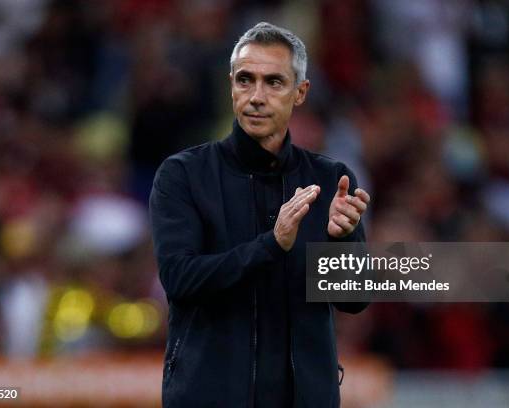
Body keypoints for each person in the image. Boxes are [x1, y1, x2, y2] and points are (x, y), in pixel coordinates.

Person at [150, 22, 371, 408]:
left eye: (273, 83)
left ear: (300, 92)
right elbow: (180, 279)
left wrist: (344, 240)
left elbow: (354, 300)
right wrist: (271, 245)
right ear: (231, 85)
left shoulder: (330, 179)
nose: (256, 96)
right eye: (246, 80)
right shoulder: (184, 174)